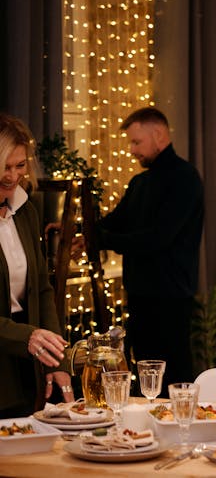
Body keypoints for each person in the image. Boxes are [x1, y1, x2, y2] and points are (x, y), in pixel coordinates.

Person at [84, 107, 204, 391]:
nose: (132, 150)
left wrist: (102, 239)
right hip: (140, 296)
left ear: (159, 135)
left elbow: (158, 239)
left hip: (171, 298)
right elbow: (114, 222)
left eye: (136, 142)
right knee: (143, 373)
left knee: (173, 375)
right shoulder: (140, 182)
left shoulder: (185, 178)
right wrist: (81, 232)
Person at [0, 113, 75, 417]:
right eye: (5, 166)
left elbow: (42, 289)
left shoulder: (25, 211)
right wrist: (28, 338)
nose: (13, 176)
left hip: (23, 368)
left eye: (20, 166)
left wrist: (54, 361)